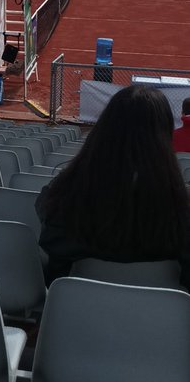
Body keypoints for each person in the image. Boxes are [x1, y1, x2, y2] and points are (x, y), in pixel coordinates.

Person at [37, 85, 190, 288]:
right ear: (164, 136)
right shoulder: (182, 209)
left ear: (104, 129)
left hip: (72, 315)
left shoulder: (61, 198)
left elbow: (53, 260)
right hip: (162, 317)